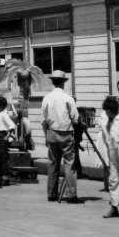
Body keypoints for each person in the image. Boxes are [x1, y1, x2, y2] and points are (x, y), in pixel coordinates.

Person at [41, 70, 82, 204]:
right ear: (63, 83)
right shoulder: (68, 98)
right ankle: (71, 195)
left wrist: (46, 134)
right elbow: (75, 118)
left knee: (53, 163)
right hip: (65, 133)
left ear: (53, 82)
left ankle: (52, 193)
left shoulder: (47, 98)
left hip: (51, 132)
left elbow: (44, 119)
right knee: (69, 164)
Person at [0, 96, 16, 187]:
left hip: (1, 136)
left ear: (1, 106)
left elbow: (11, 126)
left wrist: (7, 136)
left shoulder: (4, 114)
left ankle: (5, 178)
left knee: (3, 158)